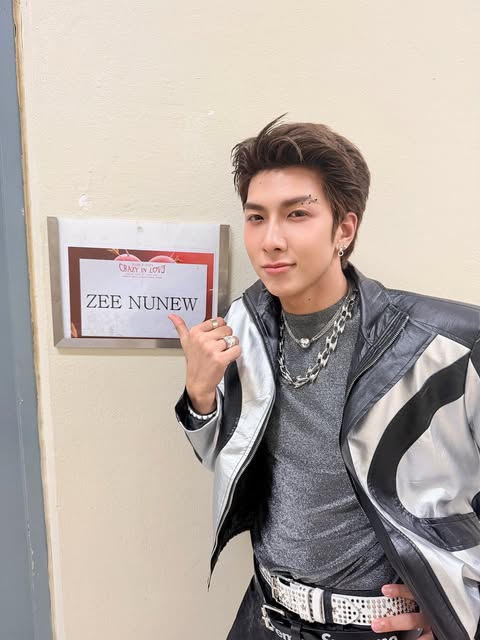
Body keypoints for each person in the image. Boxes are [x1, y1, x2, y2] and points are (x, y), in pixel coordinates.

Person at [170, 117, 480, 640]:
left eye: (297, 214)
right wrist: (200, 393)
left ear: (344, 229)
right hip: (267, 616)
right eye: (256, 217)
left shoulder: (444, 343)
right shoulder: (245, 326)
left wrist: (461, 606)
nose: (271, 240)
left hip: (379, 627)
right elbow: (229, 456)